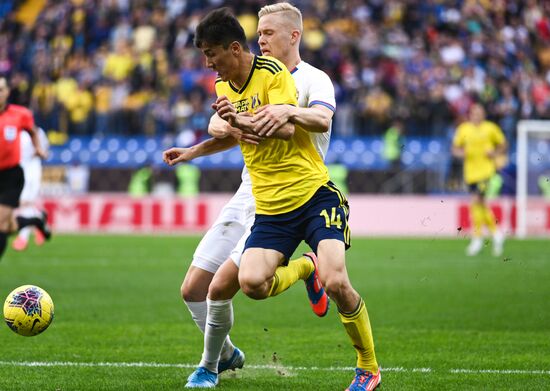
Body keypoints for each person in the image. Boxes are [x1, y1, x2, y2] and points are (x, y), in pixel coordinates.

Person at [165, 5, 380, 390]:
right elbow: (228, 124)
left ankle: (367, 366)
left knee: (334, 282)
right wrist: (198, 147)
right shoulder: (233, 79)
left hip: (310, 191)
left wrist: (284, 111)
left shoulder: (308, 79)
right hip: (260, 194)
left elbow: (318, 119)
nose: (260, 39)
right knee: (230, 286)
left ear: (293, 36)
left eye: (267, 33)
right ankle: (302, 270)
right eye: (258, 33)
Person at [0, 76, 51, 261]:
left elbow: (32, 131)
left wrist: (38, 147)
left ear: (7, 92)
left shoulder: (20, 114)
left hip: (11, 176)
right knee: (8, 226)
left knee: (0, 225)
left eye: (1, 89)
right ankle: (34, 220)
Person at [452, 103, 507, 256]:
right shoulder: (464, 129)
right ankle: (496, 234)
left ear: (483, 114)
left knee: (476, 201)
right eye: (474, 113)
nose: (477, 115)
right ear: (470, 114)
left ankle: (477, 238)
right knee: (480, 204)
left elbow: (503, 145)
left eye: (480, 113)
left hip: (485, 172)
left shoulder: (490, 128)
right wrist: (462, 153)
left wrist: (494, 153)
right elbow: (455, 149)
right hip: (470, 173)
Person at [12, 127, 50, 251]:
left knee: (25, 204)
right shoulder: (17, 131)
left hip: (31, 172)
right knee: (22, 204)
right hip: (20, 171)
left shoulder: (37, 132)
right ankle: (39, 219)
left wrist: (37, 151)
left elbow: (44, 152)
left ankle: (23, 238)